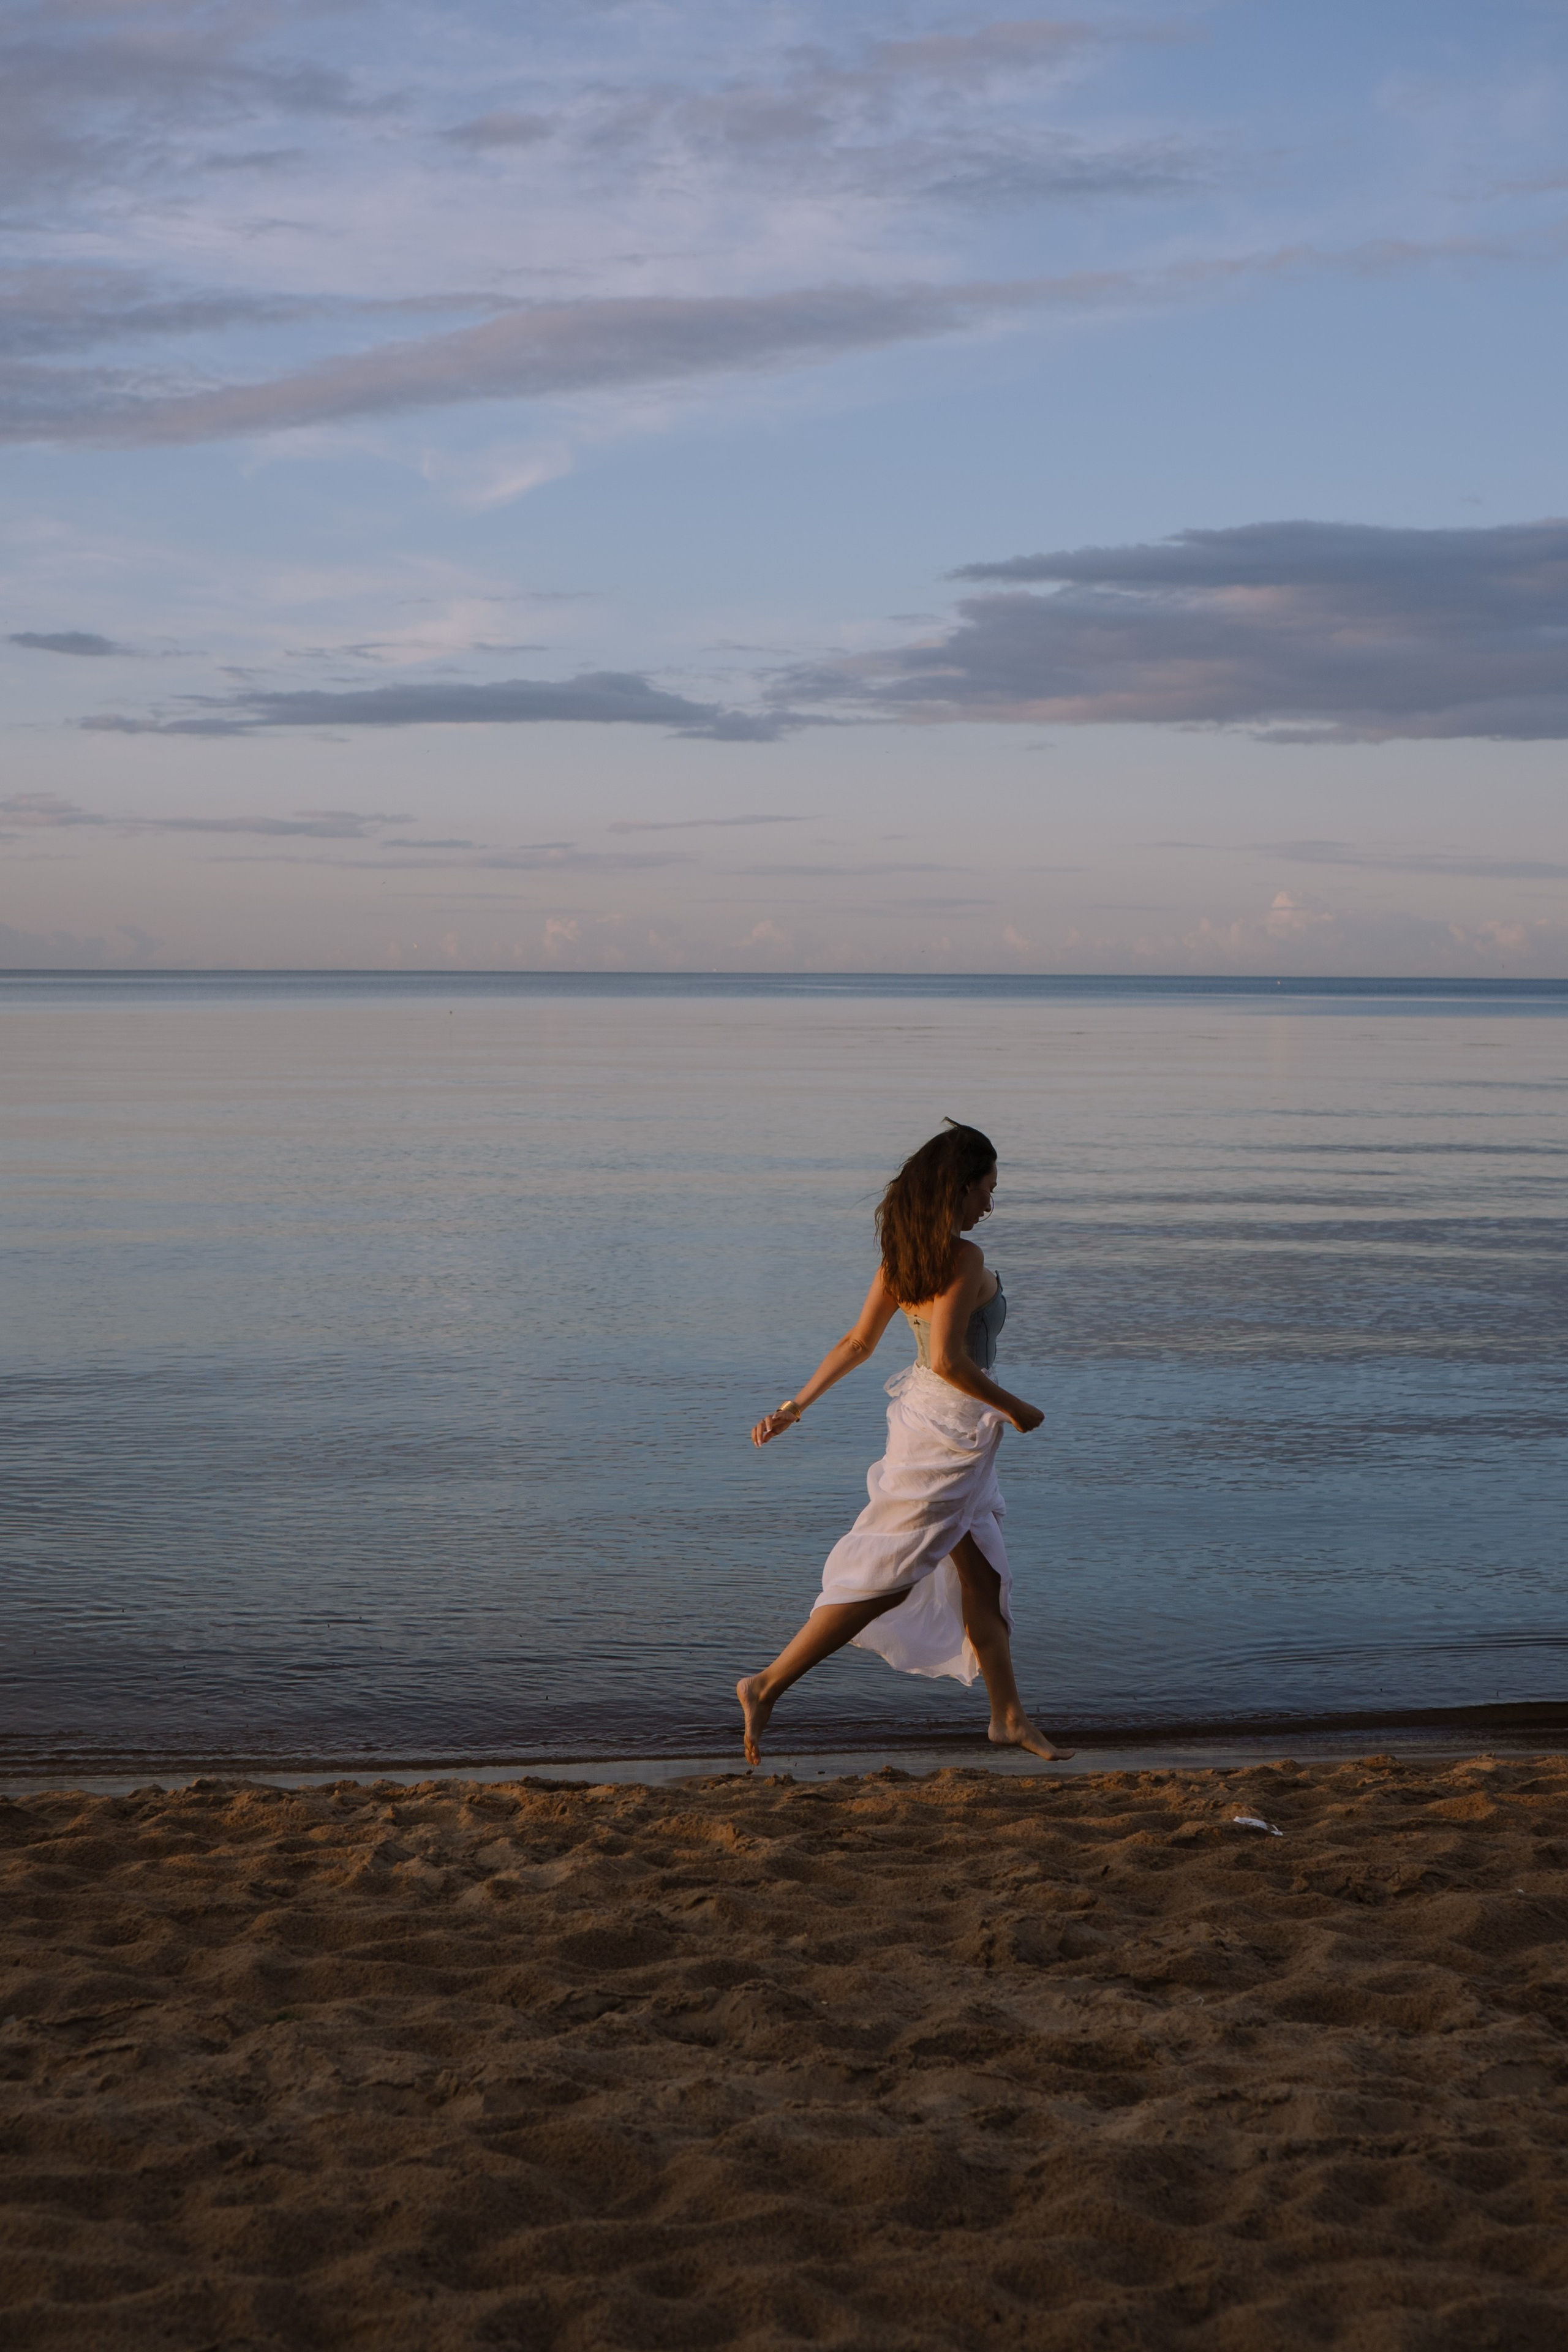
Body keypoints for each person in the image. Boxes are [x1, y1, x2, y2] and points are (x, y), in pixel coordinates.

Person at [739, 1121, 1074, 1768]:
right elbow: (947, 1359)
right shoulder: (963, 1258)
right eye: (987, 1189)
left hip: (932, 1420)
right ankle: (766, 1684)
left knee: (982, 1574)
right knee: (893, 1575)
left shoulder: (905, 1260)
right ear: (961, 1187)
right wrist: (1016, 1407)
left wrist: (792, 1408)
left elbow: (857, 1343)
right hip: (951, 1432)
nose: (989, 1204)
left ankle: (1007, 1718)